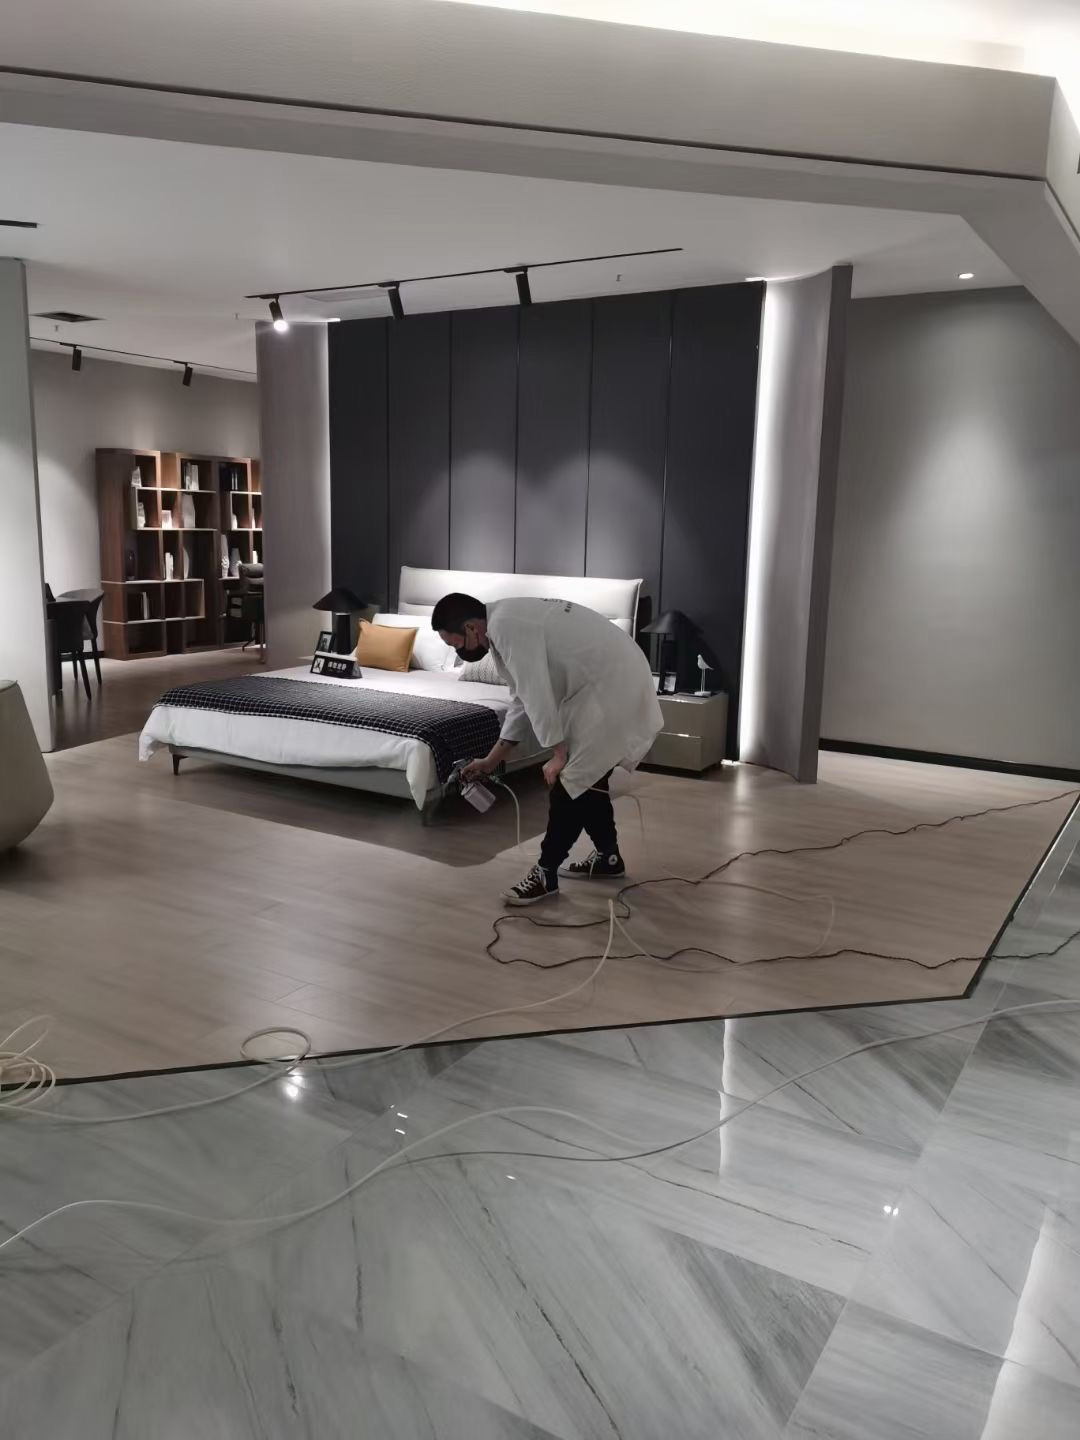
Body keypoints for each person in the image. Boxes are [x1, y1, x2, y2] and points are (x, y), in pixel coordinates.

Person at [432, 593, 664, 906]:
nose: (458, 651)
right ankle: (608, 858)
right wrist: (490, 761)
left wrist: (558, 754)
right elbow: (522, 700)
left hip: (612, 683)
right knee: (589, 779)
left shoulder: (506, 626)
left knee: (569, 781)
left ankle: (545, 874)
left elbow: (536, 695)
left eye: (455, 643)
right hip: (609, 679)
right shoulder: (504, 620)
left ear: (472, 628)